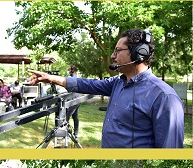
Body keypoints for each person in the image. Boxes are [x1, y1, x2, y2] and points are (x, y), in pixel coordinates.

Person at [27, 29, 184, 148]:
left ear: (138, 54)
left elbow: (171, 150)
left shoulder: (165, 97)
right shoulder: (117, 82)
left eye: (118, 51)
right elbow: (87, 84)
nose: (113, 56)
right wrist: (52, 78)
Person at [65, 65, 81, 137]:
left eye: (69, 70)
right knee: (75, 116)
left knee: (66, 117)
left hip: (73, 101)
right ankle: (76, 133)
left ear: (72, 71)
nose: (68, 72)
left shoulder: (73, 79)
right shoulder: (76, 77)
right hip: (77, 100)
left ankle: (66, 135)